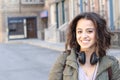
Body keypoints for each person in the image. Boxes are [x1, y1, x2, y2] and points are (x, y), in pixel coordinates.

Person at [48, 12, 120, 80]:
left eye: (89, 31)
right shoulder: (64, 60)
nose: (84, 36)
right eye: (79, 31)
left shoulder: (111, 64)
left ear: (99, 33)